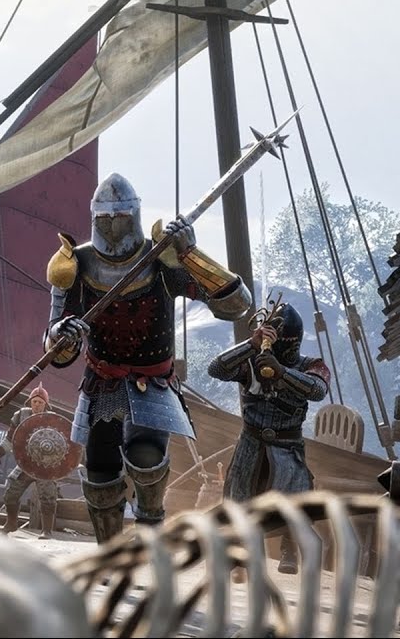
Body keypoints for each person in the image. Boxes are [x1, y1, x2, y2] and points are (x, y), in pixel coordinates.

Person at [45, 172, 252, 543]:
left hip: (152, 381)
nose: (112, 227)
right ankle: (109, 554)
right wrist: (64, 333)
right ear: (94, 218)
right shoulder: (75, 264)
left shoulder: (161, 257)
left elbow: (235, 305)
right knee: (100, 471)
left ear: (135, 216)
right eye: (105, 219)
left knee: (147, 460)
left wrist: (189, 254)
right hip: (102, 382)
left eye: (120, 218)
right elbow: (56, 346)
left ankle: (151, 539)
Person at [207, 303, 329, 574]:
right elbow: (216, 369)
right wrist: (251, 345)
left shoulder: (310, 365)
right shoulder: (251, 360)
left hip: (287, 445)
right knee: (240, 497)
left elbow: (318, 390)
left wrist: (282, 372)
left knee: (293, 498)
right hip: (251, 442)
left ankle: (289, 547)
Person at [0, 384, 60, 539]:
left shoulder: (52, 419)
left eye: (40, 402)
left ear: (45, 405)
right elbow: (10, 440)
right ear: (30, 402)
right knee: (11, 493)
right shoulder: (20, 416)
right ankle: (11, 523)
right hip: (26, 464)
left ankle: (47, 531)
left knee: (48, 497)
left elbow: (60, 444)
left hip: (45, 466)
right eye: (34, 401)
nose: (37, 405)